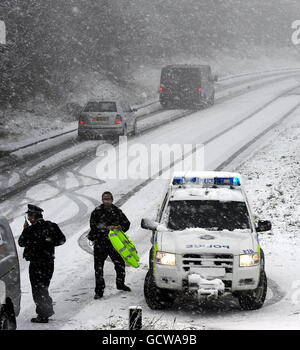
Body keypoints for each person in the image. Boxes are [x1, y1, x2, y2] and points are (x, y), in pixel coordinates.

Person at [18, 204, 66, 323]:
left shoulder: (30, 230)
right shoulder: (52, 226)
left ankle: (44, 314)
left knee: (38, 289)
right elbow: (62, 240)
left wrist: (25, 229)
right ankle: (46, 310)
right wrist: (49, 243)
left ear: (33, 216)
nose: (29, 218)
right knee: (43, 287)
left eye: (29, 216)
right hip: (49, 263)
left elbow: (21, 243)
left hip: (36, 264)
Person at [88, 191, 131, 299]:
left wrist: (120, 227)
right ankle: (99, 291)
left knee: (120, 264)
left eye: (108, 199)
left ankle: (120, 284)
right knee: (98, 269)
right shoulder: (96, 212)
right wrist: (105, 229)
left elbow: (127, 223)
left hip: (114, 244)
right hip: (100, 243)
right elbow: (93, 227)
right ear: (102, 200)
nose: (106, 201)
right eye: (104, 199)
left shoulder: (117, 211)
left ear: (112, 200)